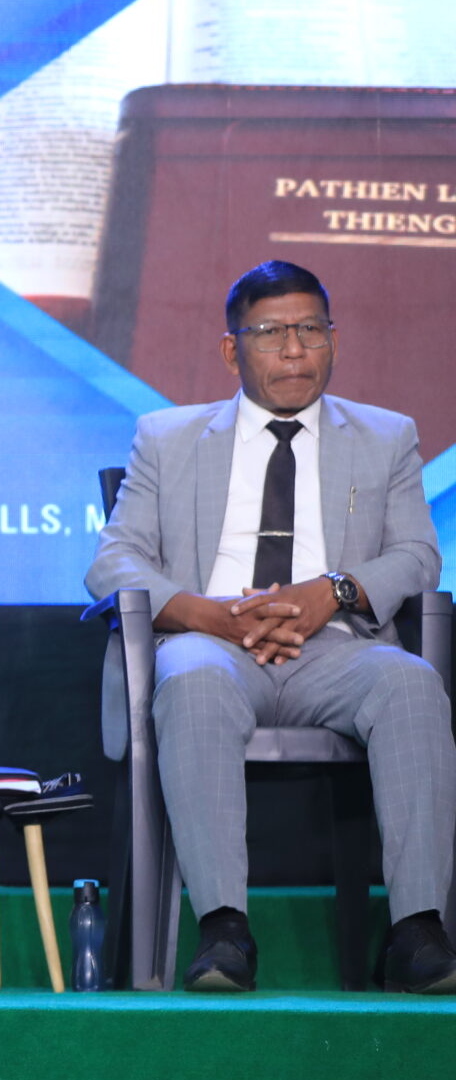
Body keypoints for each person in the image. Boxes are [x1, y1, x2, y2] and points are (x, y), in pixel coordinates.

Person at [88, 260, 454, 993]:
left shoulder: (386, 437)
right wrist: (213, 615)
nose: (294, 350)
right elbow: (113, 562)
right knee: (191, 680)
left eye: (310, 330)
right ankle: (224, 931)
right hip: (211, 645)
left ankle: (418, 932)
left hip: (338, 650)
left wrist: (332, 591)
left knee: (413, 684)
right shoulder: (167, 437)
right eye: (271, 333)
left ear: (333, 340)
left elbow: (418, 555)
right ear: (232, 350)